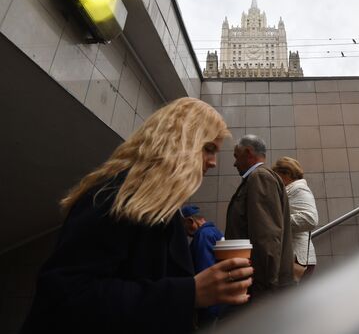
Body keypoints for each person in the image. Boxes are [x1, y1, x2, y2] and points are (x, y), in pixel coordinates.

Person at [21, 98, 253, 334]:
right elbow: (65, 296)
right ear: (179, 141)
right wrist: (189, 292)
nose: (213, 163)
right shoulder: (115, 196)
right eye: (209, 148)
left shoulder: (160, 207)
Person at [225, 135, 294, 300]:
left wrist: (264, 287)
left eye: (236, 156)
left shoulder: (259, 177)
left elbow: (267, 236)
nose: (234, 163)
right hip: (263, 285)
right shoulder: (258, 177)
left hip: (262, 288)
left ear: (248, 152)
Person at [273, 157, 318, 282]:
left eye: (278, 176)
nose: (276, 180)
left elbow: (310, 219)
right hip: (295, 257)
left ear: (287, 173)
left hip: (298, 259)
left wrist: (275, 221)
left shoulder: (298, 189)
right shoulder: (292, 189)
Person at [180, 204, 224, 324]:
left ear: (190, 221)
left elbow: (205, 271)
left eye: (182, 225)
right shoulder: (215, 231)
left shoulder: (203, 235)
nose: (183, 231)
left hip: (210, 305)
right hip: (219, 301)